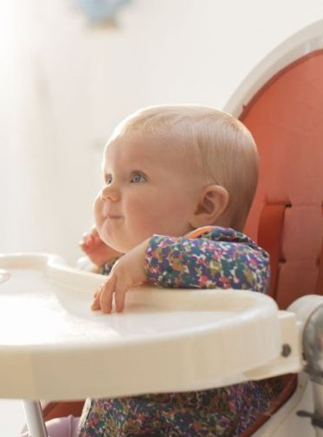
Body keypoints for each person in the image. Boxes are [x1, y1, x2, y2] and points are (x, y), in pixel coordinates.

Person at [32, 105, 287, 437]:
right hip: (106, 422)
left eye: (135, 178)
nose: (108, 192)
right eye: (108, 178)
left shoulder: (219, 249)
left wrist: (149, 255)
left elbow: (253, 272)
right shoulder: (137, 268)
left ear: (204, 206)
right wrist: (104, 264)